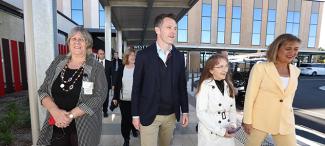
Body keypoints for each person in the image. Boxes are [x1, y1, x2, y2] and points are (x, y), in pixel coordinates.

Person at [37, 27, 108, 146]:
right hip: (56, 124)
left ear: (87, 44)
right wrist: (55, 111)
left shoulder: (96, 67)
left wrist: (70, 115)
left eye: (81, 39)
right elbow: (43, 91)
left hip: (84, 127)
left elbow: (100, 96)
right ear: (69, 42)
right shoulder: (57, 62)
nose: (77, 42)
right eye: (73, 39)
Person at [131, 13, 189, 146]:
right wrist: (135, 115)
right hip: (148, 114)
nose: (173, 32)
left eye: (175, 28)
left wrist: (185, 110)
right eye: (169, 27)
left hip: (171, 116)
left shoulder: (180, 57)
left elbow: (182, 87)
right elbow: (136, 88)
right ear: (157, 30)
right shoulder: (143, 56)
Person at [242, 34, 301, 146]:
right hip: (259, 120)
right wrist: (247, 120)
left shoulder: (295, 71)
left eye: (296, 49)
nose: (292, 52)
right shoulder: (261, 68)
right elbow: (250, 96)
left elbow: (289, 98)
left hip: (285, 121)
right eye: (288, 48)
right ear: (277, 48)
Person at [196, 54, 237, 146]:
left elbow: (232, 110)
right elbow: (201, 113)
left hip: (227, 133)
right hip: (210, 135)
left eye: (226, 66)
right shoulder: (205, 86)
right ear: (211, 70)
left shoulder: (229, 85)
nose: (225, 70)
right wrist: (221, 131)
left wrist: (233, 125)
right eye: (220, 67)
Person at [112, 48, 138, 146]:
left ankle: (134, 129)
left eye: (134, 55)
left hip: (136, 101)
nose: (133, 57)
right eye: (131, 55)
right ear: (127, 56)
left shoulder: (138, 68)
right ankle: (126, 139)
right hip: (124, 100)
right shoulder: (122, 68)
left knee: (134, 117)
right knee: (125, 120)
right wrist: (115, 97)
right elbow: (117, 84)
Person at [97, 48, 113, 117]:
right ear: (98, 55)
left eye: (103, 54)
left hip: (106, 84)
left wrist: (113, 84)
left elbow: (112, 75)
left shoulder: (109, 63)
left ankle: (105, 111)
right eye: (100, 54)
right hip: (97, 85)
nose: (102, 55)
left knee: (106, 99)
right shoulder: (94, 63)